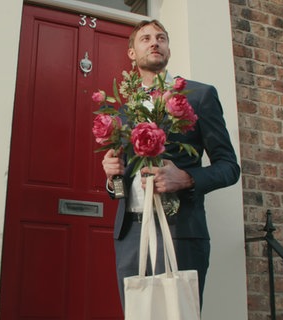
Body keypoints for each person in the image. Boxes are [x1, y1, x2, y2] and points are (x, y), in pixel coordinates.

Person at [101, 19, 241, 311]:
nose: (155, 42)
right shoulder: (124, 111)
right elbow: (120, 184)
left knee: (180, 315)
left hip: (181, 232)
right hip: (131, 236)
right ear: (131, 53)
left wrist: (186, 178)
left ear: (168, 48)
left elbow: (229, 167)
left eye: (161, 38)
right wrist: (111, 174)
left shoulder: (199, 96)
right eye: (146, 38)